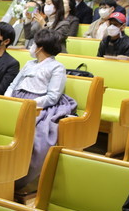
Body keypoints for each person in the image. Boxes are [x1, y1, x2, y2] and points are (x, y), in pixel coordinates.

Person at [6, 29, 77, 194]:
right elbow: (13, 85)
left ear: (40, 47)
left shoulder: (57, 67)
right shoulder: (29, 64)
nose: (32, 46)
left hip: (40, 105)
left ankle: (22, 178)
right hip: (17, 100)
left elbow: (52, 96)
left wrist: (29, 103)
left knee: (39, 134)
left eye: (35, 43)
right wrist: (8, 99)